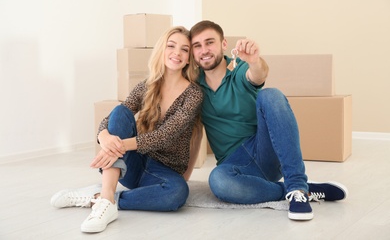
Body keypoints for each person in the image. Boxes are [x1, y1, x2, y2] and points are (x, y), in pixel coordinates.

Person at [189, 20, 348, 221]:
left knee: (270, 95)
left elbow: (258, 75)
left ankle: (298, 187)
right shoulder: (193, 88)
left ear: (223, 44)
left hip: (265, 150)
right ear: (193, 53)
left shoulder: (239, 70)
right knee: (217, 181)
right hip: (235, 165)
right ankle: (290, 190)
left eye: (209, 42)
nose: (204, 50)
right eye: (197, 45)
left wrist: (255, 61)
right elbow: (194, 133)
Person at [50, 26, 204, 233]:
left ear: (188, 59)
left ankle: (101, 198)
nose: (177, 53)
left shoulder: (193, 94)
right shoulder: (146, 86)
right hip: (132, 163)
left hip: (162, 172)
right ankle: (106, 198)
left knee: (177, 194)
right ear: (161, 50)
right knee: (121, 111)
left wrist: (117, 146)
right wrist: (103, 136)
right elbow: (114, 117)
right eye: (171, 46)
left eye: (184, 50)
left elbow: (166, 135)